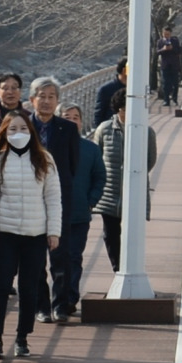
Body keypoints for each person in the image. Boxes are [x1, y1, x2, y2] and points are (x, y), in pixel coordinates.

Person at [0, 108, 61, 360]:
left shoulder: (44, 160)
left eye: (23, 128)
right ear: (4, 132)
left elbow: (53, 198)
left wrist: (53, 231)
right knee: (0, 287)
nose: (19, 133)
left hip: (35, 234)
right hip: (5, 232)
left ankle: (22, 337)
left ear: (31, 131)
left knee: (29, 288)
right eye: (12, 129)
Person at [26, 79, 84, 320]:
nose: (47, 101)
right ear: (32, 100)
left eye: (52, 96)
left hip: (59, 198)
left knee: (61, 254)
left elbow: (72, 164)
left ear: (57, 101)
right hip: (29, 198)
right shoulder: (21, 127)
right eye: (42, 96)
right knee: (35, 255)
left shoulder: (67, 129)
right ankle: (41, 306)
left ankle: (60, 304)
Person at [91, 102, 155, 272]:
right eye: (125, 109)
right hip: (109, 191)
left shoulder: (146, 131)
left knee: (132, 233)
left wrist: (135, 175)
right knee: (110, 233)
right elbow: (96, 156)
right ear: (118, 110)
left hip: (135, 191)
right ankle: (117, 267)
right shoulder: (104, 129)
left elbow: (150, 159)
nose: (129, 113)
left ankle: (131, 267)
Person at [61, 103, 105, 290]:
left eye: (75, 117)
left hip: (79, 213)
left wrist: (91, 202)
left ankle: (70, 296)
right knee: (52, 259)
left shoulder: (91, 149)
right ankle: (52, 300)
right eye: (66, 117)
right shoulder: (47, 147)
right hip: (52, 214)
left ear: (81, 121)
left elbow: (100, 177)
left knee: (73, 256)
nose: (71, 121)